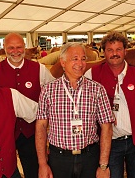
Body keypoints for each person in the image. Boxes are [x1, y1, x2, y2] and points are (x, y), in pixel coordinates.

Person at [84, 31, 135, 178]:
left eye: (118, 49)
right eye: (110, 50)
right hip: (109, 143)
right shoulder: (92, 74)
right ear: (104, 52)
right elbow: (85, 106)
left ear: (125, 51)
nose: (114, 54)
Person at [35, 42, 114, 178]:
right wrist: (42, 164)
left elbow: (107, 127)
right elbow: (41, 126)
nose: (80, 63)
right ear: (63, 62)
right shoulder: (48, 90)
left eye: (83, 59)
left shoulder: (97, 89)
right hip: (59, 159)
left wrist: (103, 165)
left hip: (89, 157)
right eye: (75, 58)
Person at [0, 32, 54, 178]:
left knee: (33, 170)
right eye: (11, 47)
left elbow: (54, 93)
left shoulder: (39, 69)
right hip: (5, 133)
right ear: (4, 47)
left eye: (19, 47)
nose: (15, 51)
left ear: (25, 47)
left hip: (32, 133)